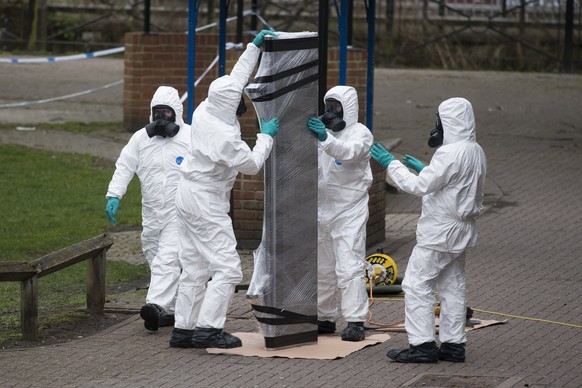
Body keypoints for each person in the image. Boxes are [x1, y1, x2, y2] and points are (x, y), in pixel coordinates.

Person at [169, 30, 279, 349]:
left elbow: (235, 79)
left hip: (186, 193)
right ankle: (209, 329)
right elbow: (252, 164)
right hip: (205, 200)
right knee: (228, 269)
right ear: (231, 106)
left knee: (194, 266)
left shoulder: (205, 108)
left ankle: (184, 329)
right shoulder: (224, 138)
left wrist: (253, 48)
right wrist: (266, 136)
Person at [370, 97, 487, 363]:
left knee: (416, 284)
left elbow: (419, 187)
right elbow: (455, 183)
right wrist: (426, 170)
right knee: (452, 286)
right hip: (462, 229)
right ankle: (453, 345)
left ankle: (421, 345)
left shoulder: (449, 152)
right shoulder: (475, 149)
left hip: (440, 231)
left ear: (447, 122)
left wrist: (391, 164)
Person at [105, 86, 191, 332]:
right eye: (157, 113)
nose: (162, 119)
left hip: (180, 211)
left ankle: (154, 304)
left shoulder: (190, 137)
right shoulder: (140, 139)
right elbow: (124, 166)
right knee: (154, 255)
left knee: (168, 258)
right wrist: (114, 195)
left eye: (167, 113)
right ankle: (170, 310)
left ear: (176, 113)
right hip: (152, 212)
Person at [306, 85, 374, 342]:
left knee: (349, 266)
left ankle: (355, 320)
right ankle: (324, 317)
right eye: (328, 107)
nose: (331, 112)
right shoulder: (321, 135)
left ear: (349, 108)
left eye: (336, 107)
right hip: (322, 208)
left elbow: (347, 153)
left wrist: (324, 138)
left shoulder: (360, 134)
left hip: (349, 211)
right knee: (322, 268)